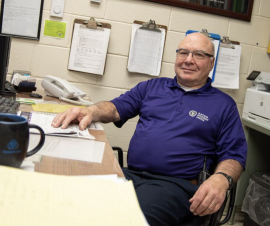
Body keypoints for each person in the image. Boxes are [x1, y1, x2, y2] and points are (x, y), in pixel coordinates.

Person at [52, 33, 247, 226]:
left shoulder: (224, 105)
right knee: (76, 200)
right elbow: (115, 108)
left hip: (175, 186)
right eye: (183, 52)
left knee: (126, 219)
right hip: (130, 175)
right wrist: (90, 111)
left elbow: (234, 155)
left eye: (198, 55)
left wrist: (222, 179)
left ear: (211, 63)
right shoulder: (152, 87)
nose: (188, 60)